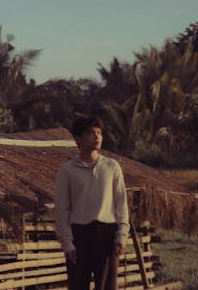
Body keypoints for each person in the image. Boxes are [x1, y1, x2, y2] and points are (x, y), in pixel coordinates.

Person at [54, 117, 129, 290]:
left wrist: (121, 236)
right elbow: (62, 210)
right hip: (80, 236)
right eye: (90, 133)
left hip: (107, 235)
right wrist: (67, 243)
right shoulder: (67, 171)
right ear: (78, 139)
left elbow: (121, 205)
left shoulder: (111, 167)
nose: (96, 137)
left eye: (99, 133)